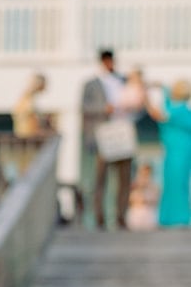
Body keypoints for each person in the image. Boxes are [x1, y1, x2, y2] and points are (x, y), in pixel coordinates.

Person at [82, 48, 135, 229]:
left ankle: (121, 216)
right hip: (102, 135)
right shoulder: (91, 84)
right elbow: (84, 107)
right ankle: (99, 217)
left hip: (123, 132)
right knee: (100, 179)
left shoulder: (124, 80)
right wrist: (104, 108)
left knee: (124, 178)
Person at [147, 79, 191, 227]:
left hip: (180, 152)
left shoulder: (180, 111)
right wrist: (160, 86)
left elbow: (159, 115)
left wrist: (145, 100)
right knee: (171, 183)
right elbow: (166, 102)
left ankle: (178, 217)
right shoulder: (177, 108)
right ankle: (168, 216)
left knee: (177, 183)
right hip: (173, 151)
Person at [12, 73, 53, 140]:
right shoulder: (26, 98)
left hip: (29, 133)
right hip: (27, 135)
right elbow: (23, 113)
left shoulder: (28, 97)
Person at [126, 161, 160, 231]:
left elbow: (155, 200)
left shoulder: (153, 186)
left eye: (147, 174)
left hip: (148, 213)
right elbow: (131, 200)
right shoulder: (134, 185)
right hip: (137, 212)